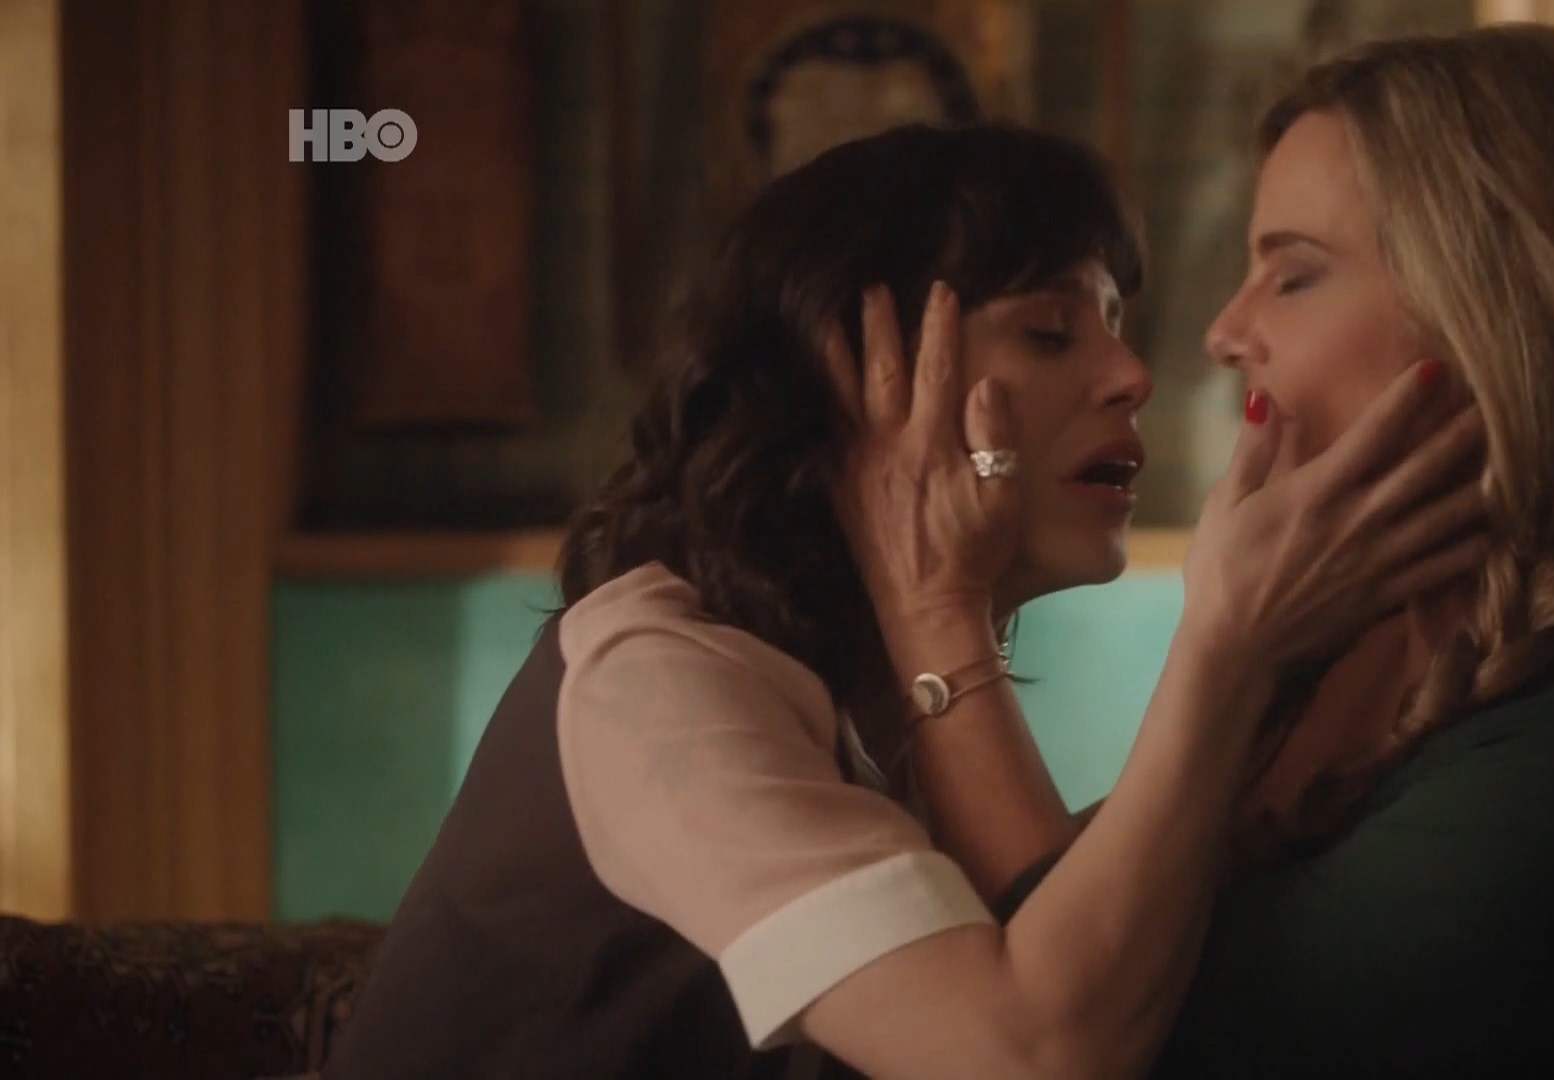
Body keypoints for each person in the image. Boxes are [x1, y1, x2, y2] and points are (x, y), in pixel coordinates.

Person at [323, 123, 1485, 1078]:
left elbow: (1089, 921)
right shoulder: (660, 684)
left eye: (1116, 329)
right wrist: (1222, 649)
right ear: (854, 379)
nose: (1133, 376)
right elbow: (1028, 1056)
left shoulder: (869, 707)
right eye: (1049, 331)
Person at [983, 24, 1554, 1079]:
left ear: (1493, 316)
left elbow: (1036, 1035)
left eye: (1294, 276)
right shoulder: (1335, 680)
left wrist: (943, 611)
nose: (1223, 332)